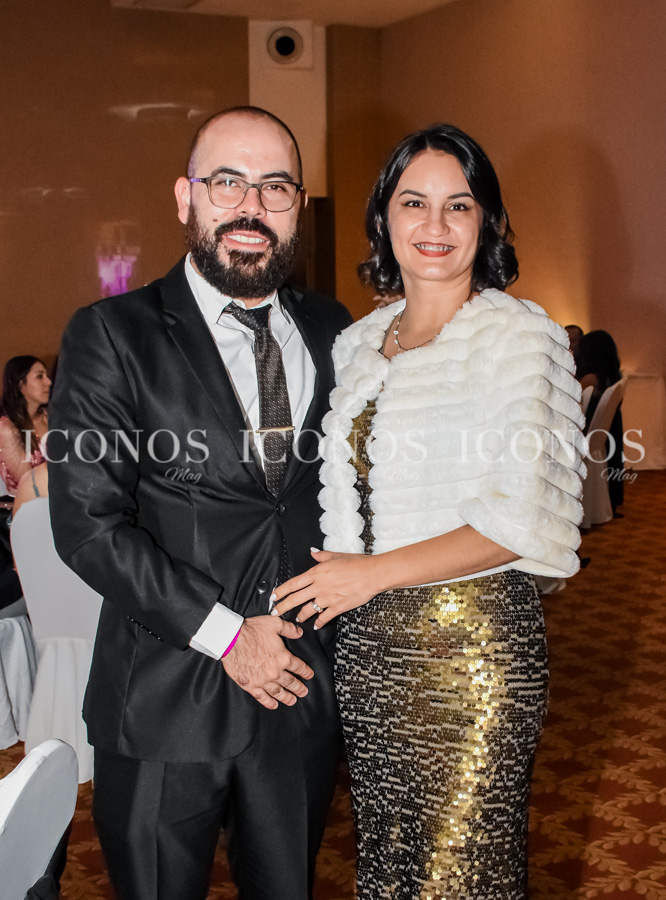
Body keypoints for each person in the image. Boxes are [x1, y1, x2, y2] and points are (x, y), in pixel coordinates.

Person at [272, 124, 587, 899]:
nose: (435, 224)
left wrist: (371, 574)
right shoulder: (357, 344)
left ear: (488, 223)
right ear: (384, 218)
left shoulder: (518, 336)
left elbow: (523, 518)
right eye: (414, 202)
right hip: (368, 652)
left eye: (459, 205)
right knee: (392, 864)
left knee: (461, 870)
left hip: (473, 648)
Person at [47, 106, 352, 900]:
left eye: (275, 187)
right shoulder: (113, 333)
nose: (251, 206)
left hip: (296, 690)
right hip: (164, 699)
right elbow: (88, 526)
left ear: (298, 206)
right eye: (227, 182)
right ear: (186, 197)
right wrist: (227, 637)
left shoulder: (334, 328)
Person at [576, 329, 624, 512]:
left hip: (587, 434)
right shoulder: (612, 376)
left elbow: (572, 398)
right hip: (609, 432)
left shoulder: (590, 378)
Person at [0, 356, 51, 496]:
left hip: (56, 497)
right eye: (39, 376)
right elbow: (28, 482)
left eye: (47, 376)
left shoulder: (49, 417)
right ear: (20, 384)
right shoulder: (6, 428)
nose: (49, 382)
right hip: (26, 502)